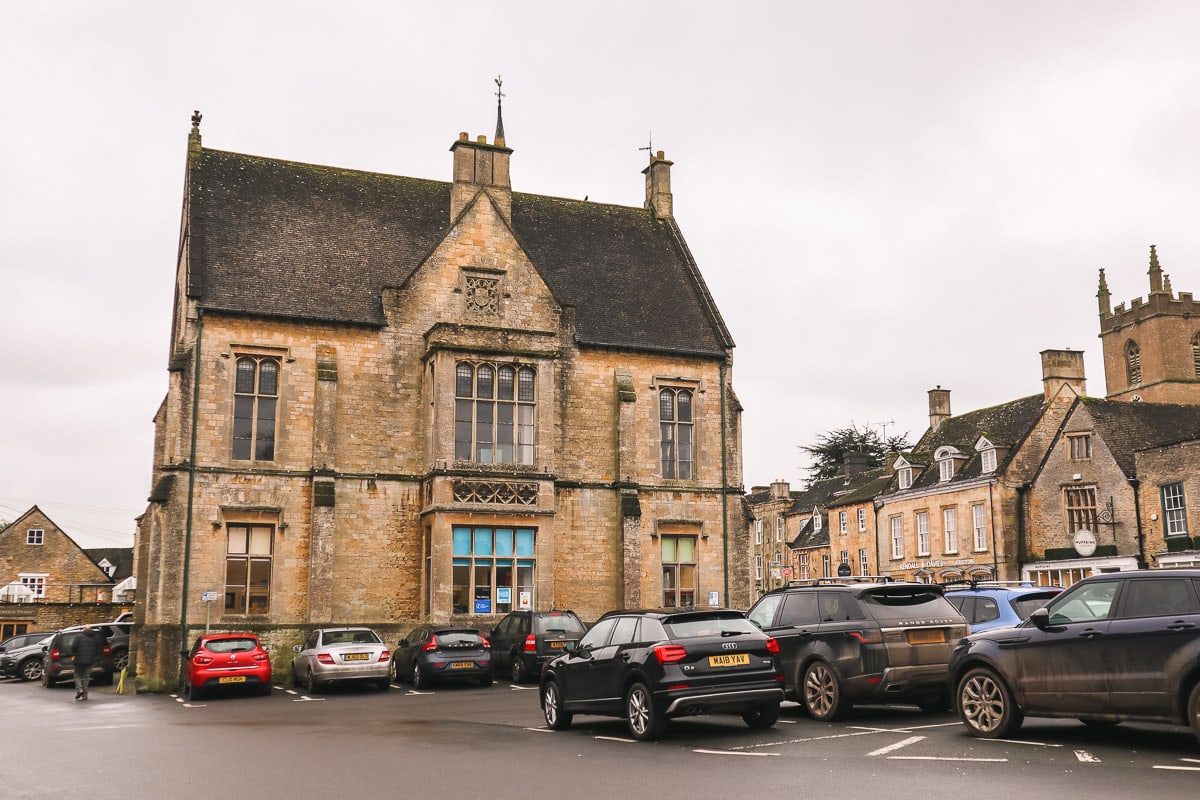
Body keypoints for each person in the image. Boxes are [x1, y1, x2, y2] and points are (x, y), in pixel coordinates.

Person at [69, 624, 106, 701]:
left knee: (77, 675)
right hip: (90, 661)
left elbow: (73, 647)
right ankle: (85, 694)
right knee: (86, 677)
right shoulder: (95, 637)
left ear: (84, 629)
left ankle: (79, 689)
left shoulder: (78, 637)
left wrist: (74, 653)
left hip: (79, 660)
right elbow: (98, 649)